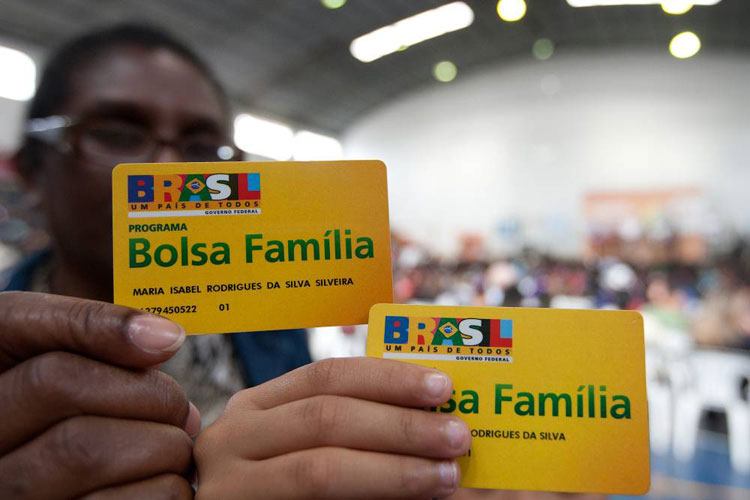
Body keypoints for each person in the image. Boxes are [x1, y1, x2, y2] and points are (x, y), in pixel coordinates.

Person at [0, 24, 471, 499]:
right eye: (116, 135)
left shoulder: (276, 323)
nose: (168, 171)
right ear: (31, 172)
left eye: (202, 148)